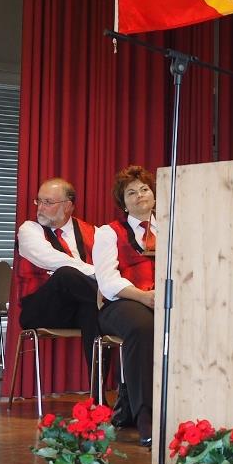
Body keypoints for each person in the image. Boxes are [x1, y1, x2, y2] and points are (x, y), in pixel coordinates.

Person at [93, 166, 158, 447]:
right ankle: (147, 419)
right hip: (122, 302)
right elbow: (107, 281)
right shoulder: (108, 232)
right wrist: (143, 297)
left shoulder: (171, 225)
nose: (140, 195)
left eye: (144, 189)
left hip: (164, 299)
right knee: (143, 326)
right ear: (123, 202)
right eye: (131, 192)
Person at [14, 178, 101, 385]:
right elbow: (51, 258)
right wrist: (99, 277)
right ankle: (117, 300)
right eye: (39, 201)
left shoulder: (94, 232)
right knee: (65, 274)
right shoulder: (29, 230)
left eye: (48, 202)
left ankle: (97, 396)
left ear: (68, 205)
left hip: (79, 308)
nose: (40, 208)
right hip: (40, 310)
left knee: (91, 311)